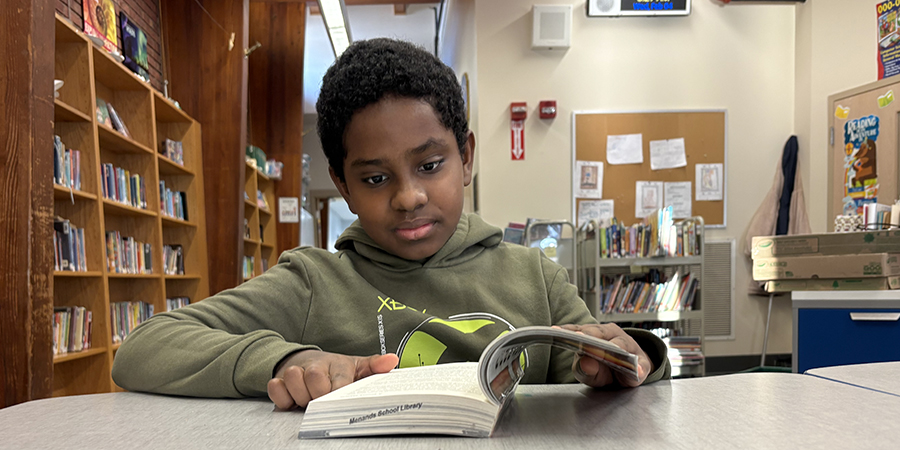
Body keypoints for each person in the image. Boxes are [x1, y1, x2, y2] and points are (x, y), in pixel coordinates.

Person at [112, 38, 670, 410]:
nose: (409, 197)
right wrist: (284, 359)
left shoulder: (534, 278)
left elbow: (610, 374)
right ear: (344, 184)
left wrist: (629, 357)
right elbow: (143, 348)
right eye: (375, 179)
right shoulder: (312, 283)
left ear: (467, 156)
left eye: (431, 166)